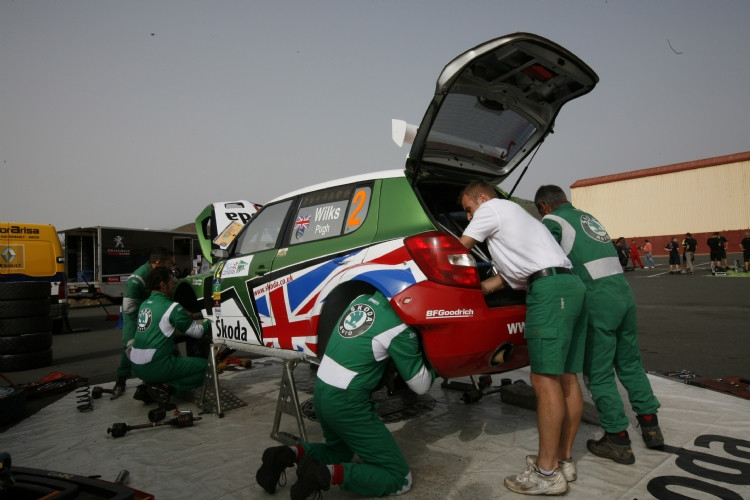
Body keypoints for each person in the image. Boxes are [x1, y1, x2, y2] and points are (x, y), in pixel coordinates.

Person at [457, 181, 586, 495]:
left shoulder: (491, 209)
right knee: (567, 376)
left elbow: (458, 249)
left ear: (482, 198)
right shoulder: (518, 219)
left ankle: (546, 472)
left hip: (548, 292)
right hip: (569, 286)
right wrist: (478, 290)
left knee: (544, 381)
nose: (468, 217)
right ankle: (563, 461)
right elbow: (505, 277)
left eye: (468, 209)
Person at [255, 290, 435, 499]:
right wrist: (435, 366)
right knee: (398, 478)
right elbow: (421, 386)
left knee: (338, 453)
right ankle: (324, 475)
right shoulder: (399, 328)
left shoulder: (361, 299)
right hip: (347, 404)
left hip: (322, 393)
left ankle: (286, 454)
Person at [534, 185, 663, 467]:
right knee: (630, 363)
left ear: (544, 207)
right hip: (623, 295)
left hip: (597, 299)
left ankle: (618, 440)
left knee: (600, 372)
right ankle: (651, 427)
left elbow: (541, 256)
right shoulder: (586, 217)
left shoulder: (552, 221)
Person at [129, 266, 211, 400]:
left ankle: (148, 386)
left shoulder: (145, 304)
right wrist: (212, 320)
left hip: (137, 366)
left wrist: (188, 318)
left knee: (173, 353)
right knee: (208, 368)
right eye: (172, 282)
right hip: (155, 366)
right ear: (163, 285)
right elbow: (198, 332)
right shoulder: (171, 307)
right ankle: (165, 388)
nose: (174, 285)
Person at [111, 247, 174, 397]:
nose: (171, 266)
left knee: (166, 341)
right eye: (169, 263)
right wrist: (151, 312)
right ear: (158, 262)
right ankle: (121, 379)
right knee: (131, 346)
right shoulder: (137, 278)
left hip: (152, 313)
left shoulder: (162, 275)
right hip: (136, 316)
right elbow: (129, 306)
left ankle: (161, 377)